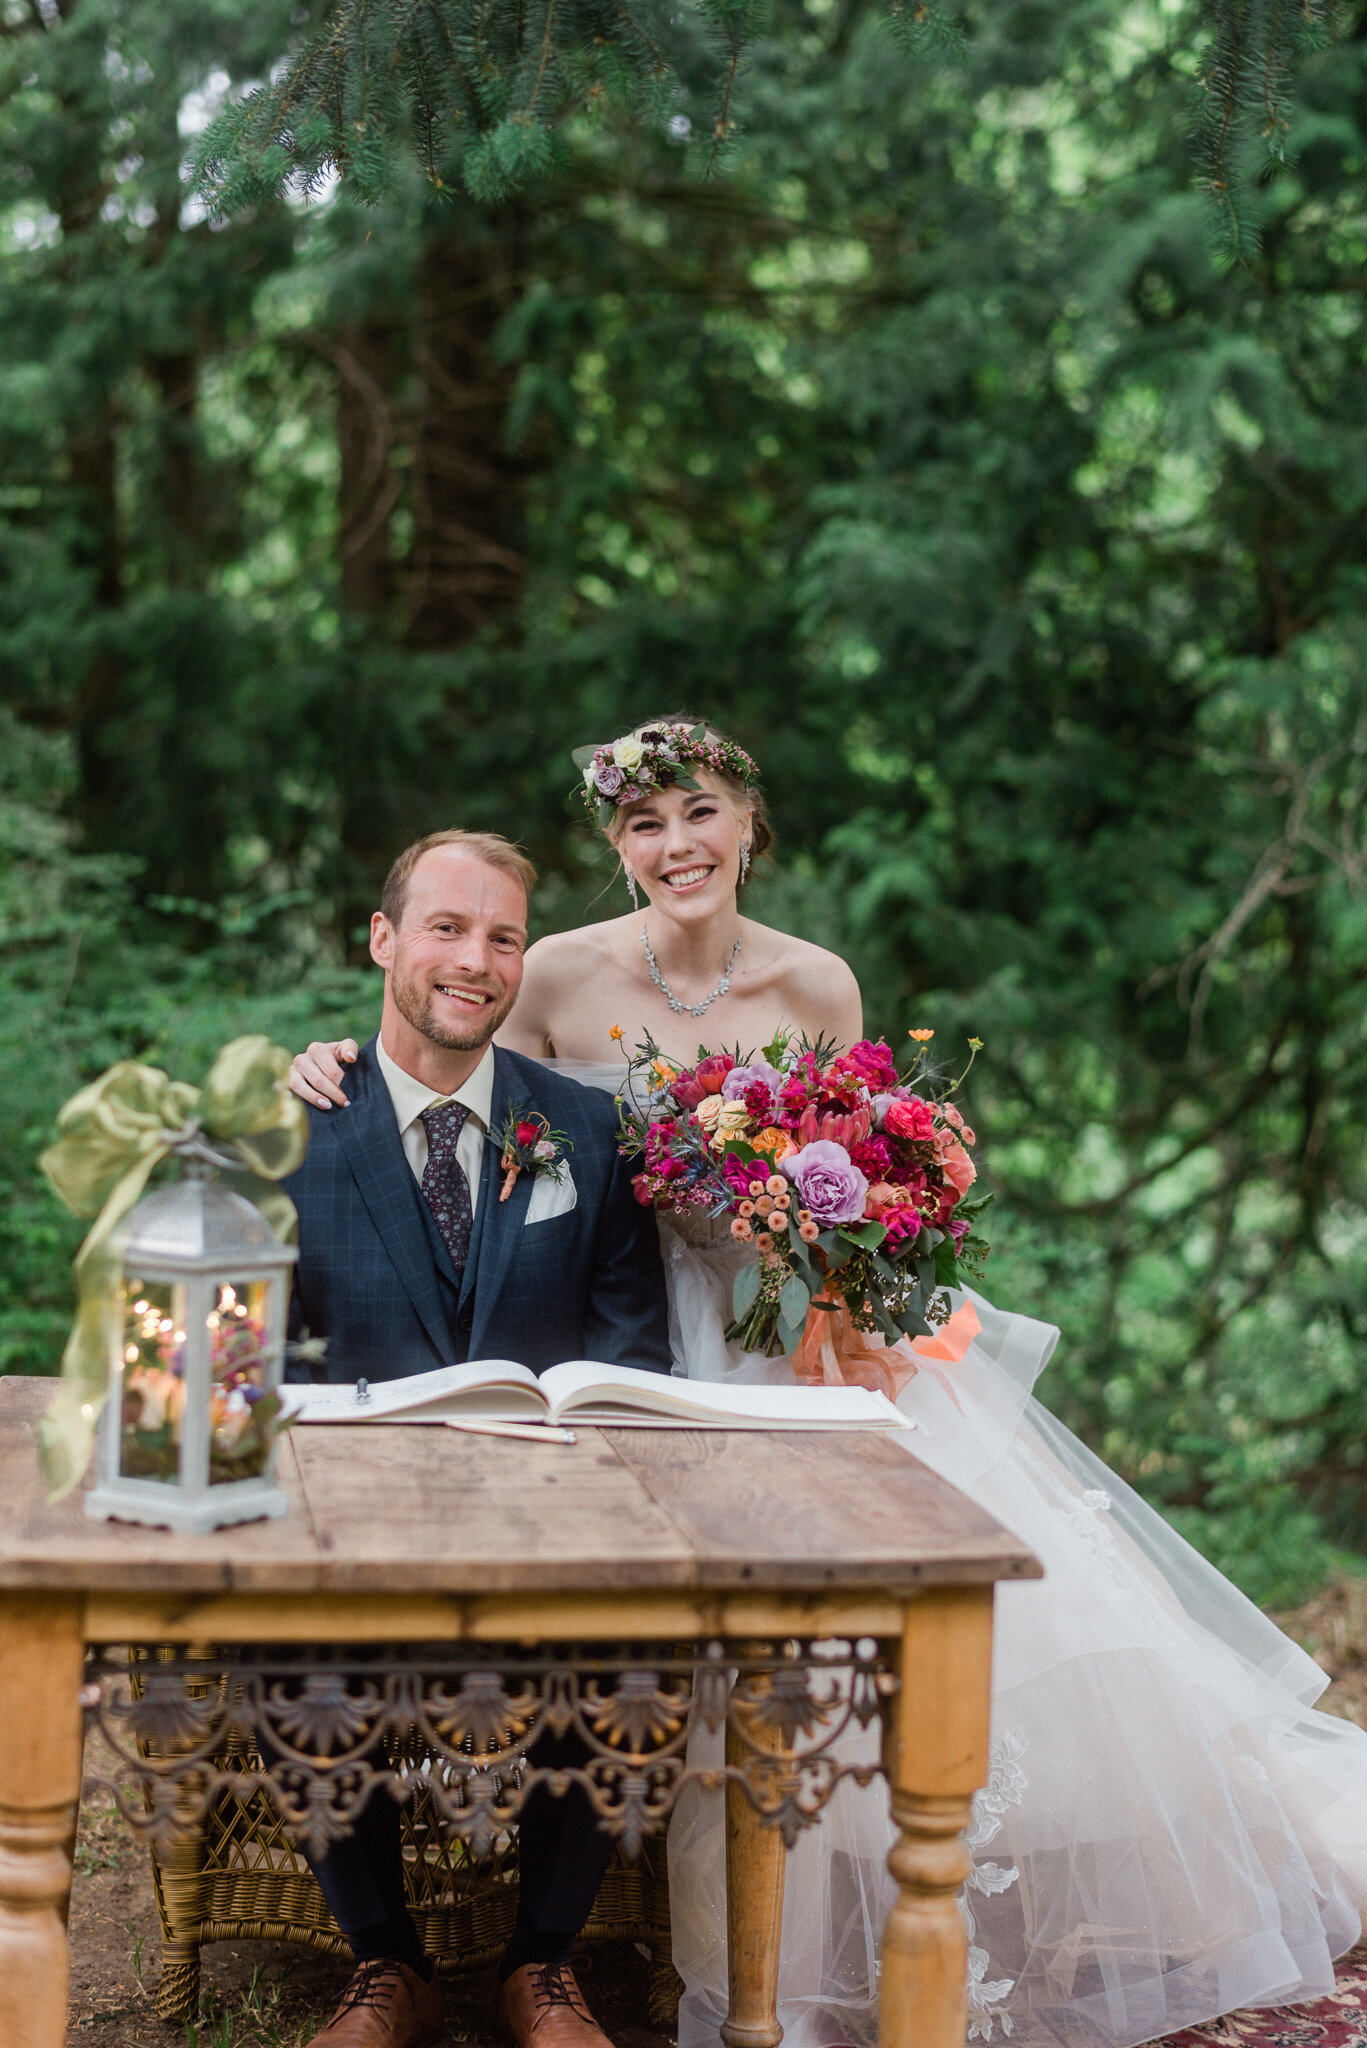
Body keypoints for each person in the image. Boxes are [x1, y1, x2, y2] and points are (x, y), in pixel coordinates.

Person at [291, 720, 1367, 2048]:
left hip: (773, 1326)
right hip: (619, 1321)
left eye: (697, 814)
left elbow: (853, 1164)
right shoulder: (546, 973)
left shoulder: (816, 984)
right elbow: (467, 1096)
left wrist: (839, 1284)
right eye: (642, 825)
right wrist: (322, 1068)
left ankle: (874, 1916)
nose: (674, 845)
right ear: (613, 848)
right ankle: (574, 1956)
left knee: (899, 1588)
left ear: (746, 823)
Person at [281, 826, 671, 2048]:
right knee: (280, 1631)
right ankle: (387, 1966)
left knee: (632, 1636)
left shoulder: (585, 1130)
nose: (477, 958)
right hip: (347, 1522)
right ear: (385, 938)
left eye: (503, 935)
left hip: (547, 1510)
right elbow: (253, 1357)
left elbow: (633, 1349)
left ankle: (540, 1968)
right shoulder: (292, 1128)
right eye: (447, 926)